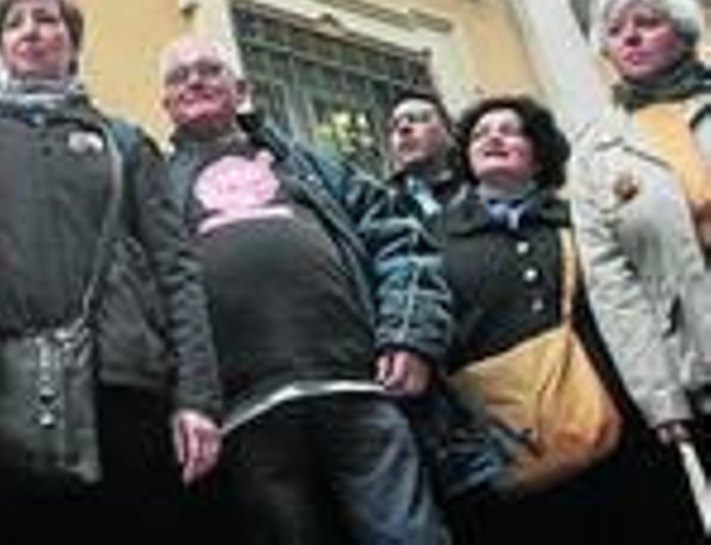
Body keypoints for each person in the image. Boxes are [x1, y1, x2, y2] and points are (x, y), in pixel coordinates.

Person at [0, 0, 222, 543]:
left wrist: (197, 398)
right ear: (2, 47)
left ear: (72, 43)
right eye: (15, 23)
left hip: (122, 388)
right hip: (0, 395)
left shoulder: (123, 142)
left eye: (46, 19)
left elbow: (176, 271)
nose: (30, 31)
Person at [158, 35, 451, 544]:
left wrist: (409, 335)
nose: (195, 81)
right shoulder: (156, 188)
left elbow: (401, 241)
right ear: (166, 103)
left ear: (241, 89)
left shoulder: (311, 164)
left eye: (209, 69)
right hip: (244, 412)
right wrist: (190, 402)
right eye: (179, 76)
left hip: (358, 387)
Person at [438, 95, 704, 541]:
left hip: (622, 436)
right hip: (517, 451)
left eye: (510, 131)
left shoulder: (583, 220)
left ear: (539, 153)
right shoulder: (434, 242)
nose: (493, 138)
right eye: (480, 134)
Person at [572, 0, 711, 446]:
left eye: (647, 23)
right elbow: (613, 285)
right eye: (614, 31)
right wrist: (659, 396)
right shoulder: (595, 153)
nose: (630, 37)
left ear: (683, 33)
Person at [387, 92, 465, 220]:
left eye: (418, 118)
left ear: (449, 134)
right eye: (394, 126)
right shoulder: (383, 204)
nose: (403, 128)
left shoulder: (481, 187)